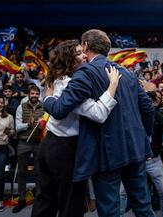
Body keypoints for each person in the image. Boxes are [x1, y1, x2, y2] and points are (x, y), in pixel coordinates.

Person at [43, 29, 155, 217]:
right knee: (144, 208)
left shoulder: (85, 73)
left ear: (85, 46)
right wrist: (145, 138)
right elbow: (149, 108)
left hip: (107, 155)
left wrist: (47, 98)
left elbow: (60, 109)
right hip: (136, 151)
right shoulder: (127, 73)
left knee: (110, 212)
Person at [32, 39, 121, 217]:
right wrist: (112, 85)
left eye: (84, 51)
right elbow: (99, 113)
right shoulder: (70, 84)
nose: (85, 56)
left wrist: (47, 99)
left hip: (50, 146)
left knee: (45, 202)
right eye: (79, 53)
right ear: (68, 59)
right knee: (70, 205)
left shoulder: (58, 79)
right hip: (65, 151)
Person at [12, 85, 44, 213]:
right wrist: (28, 124)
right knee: (22, 173)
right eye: (32, 93)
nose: (35, 96)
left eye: (37, 94)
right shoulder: (21, 107)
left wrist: (43, 124)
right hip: (24, 143)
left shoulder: (44, 107)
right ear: (28, 94)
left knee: (40, 172)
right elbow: (17, 127)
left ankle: (40, 198)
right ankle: (21, 200)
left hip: (39, 143)